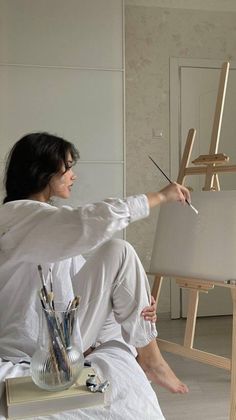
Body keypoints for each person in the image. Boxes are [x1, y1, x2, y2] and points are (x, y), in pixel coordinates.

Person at [0, 132, 190, 395]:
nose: (73, 175)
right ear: (43, 171)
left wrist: (137, 302)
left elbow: (82, 283)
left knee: (117, 257)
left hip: (54, 336)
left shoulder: (40, 222)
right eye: (67, 167)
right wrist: (160, 197)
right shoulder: (22, 217)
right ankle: (151, 359)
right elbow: (94, 219)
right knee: (119, 251)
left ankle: (146, 351)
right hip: (36, 346)